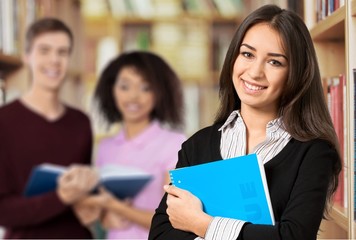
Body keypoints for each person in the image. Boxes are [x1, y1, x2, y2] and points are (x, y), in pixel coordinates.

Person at [148, 4, 342, 240]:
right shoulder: (197, 145)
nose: (255, 72)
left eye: (275, 62)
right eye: (247, 54)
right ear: (233, 58)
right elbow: (160, 234)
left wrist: (202, 224)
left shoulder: (314, 153)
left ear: (296, 74)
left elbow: (294, 236)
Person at [0, 18, 98, 238]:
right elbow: (2, 210)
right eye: (44, 50)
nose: (54, 60)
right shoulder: (4, 121)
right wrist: (61, 197)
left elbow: (82, 197)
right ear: (27, 57)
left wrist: (95, 206)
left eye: (62, 52)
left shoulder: (81, 122)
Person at [74, 51, 186, 239]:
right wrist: (104, 216)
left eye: (145, 87)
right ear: (111, 89)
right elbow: (100, 212)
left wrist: (116, 207)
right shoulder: (106, 147)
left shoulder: (175, 144)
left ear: (159, 93)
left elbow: (174, 220)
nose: (133, 96)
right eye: (124, 86)